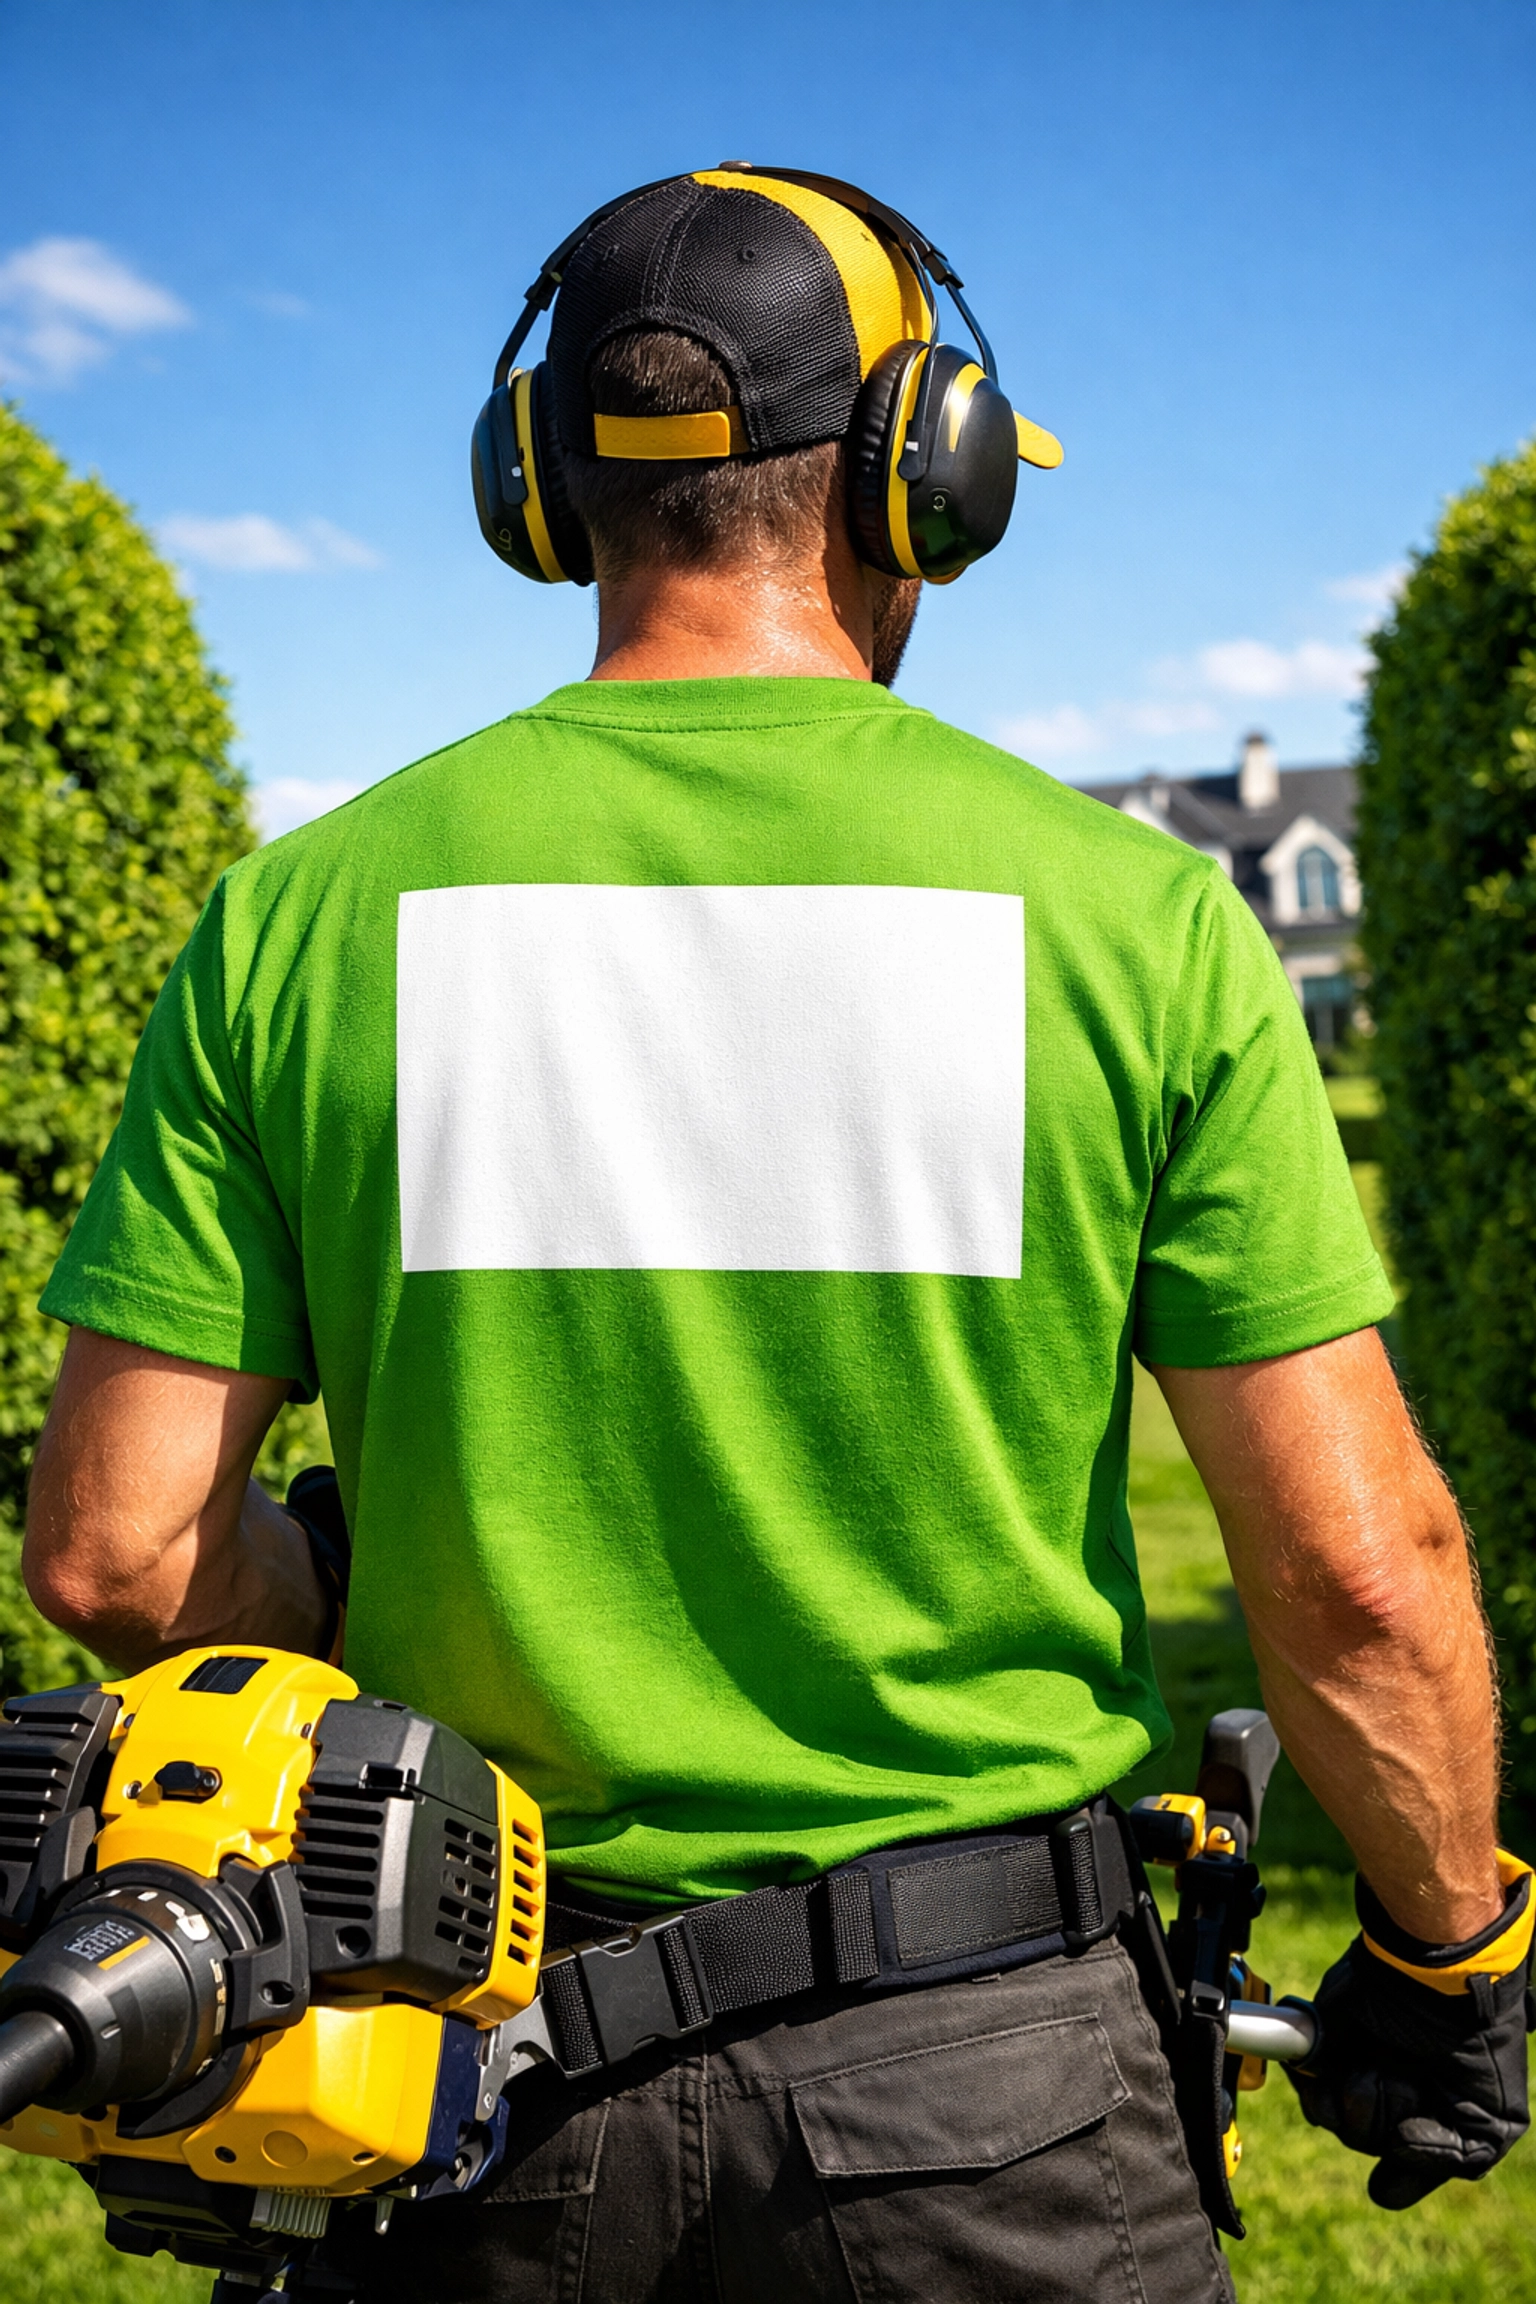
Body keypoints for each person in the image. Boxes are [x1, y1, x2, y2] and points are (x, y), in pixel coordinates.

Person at [23, 168, 1529, 2304]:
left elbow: (110, 1555)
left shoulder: (309, 917)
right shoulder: (1140, 927)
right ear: (936, 473)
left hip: (460, 2078)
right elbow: (1357, 1572)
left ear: (537, 484)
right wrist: (1450, 1947)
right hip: (992, 2094)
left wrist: (318, 1570)